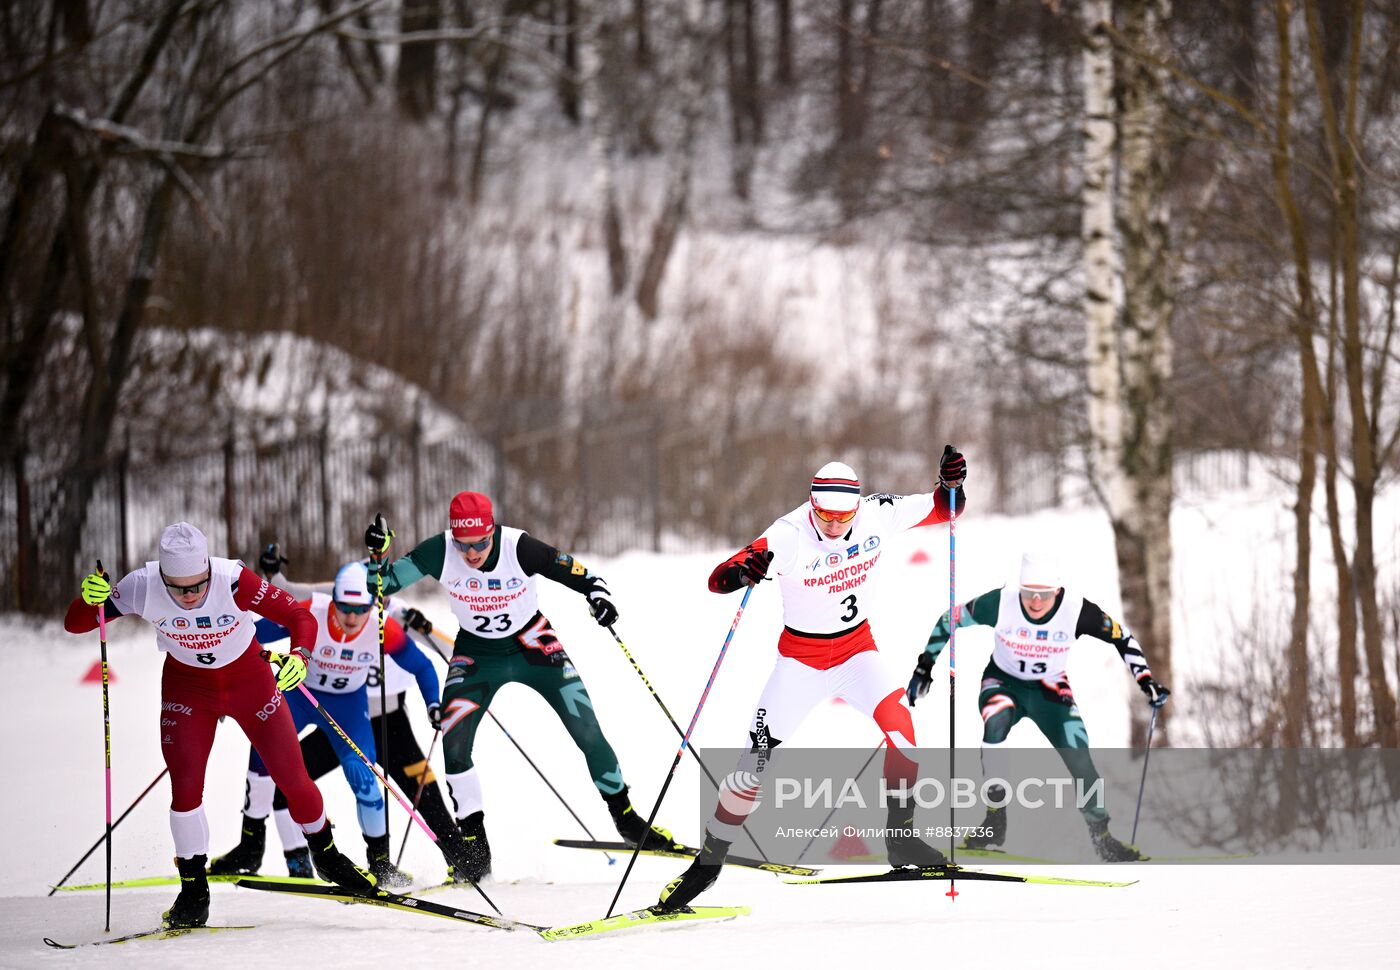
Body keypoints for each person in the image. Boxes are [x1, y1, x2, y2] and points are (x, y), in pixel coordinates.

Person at [657, 447, 968, 912]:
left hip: (857, 653)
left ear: (857, 508)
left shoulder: (878, 514)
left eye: (844, 518)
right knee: (755, 762)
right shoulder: (787, 534)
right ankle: (708, 862)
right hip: (800, 663)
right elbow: (717, 580)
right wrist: (744, 571)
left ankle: (901, 840)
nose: (835, 527)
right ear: (812, 504)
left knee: (905, 734)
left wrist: (953, 484)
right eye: (825, 516)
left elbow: (947, 508)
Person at [63, 523, 376, 930]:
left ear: (209, 569)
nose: (189, 596)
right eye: (178, 589)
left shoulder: (232, 579)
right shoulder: (141, 585)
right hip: (188, 688)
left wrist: (300, 654)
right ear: (162, 577)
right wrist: (90, 601)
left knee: (291, 774)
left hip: (250, 680)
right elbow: (78, 623)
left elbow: (297, 614)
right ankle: (194, 891)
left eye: (197, 585)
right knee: (186, 783)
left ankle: (328, 856)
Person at [363, 492, 677, 883]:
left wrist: (597, 594)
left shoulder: (518, 545)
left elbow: (575, 572)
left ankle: (626, 819)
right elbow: (382, 586)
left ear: (492, 530)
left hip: (534, 646)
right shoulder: (439, 551)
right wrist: (378, 558)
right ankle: (475, 849)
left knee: (586, 728)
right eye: (465, 545)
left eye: (480, 542)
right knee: (454, 742)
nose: (473, 553)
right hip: (476, 655)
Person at [906, 550, 1171, 862]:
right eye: (1028, 593)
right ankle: (995, 819)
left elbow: (1122, 637)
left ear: (1057, 591)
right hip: (1003, 683)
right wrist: (924, 668)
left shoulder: (1077, 610)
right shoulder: (1001, 602)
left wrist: (1146, 680)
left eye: (1043, 595)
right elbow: (949, 619)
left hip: (1050, 690)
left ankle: (1103, 838)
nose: (1034, 602)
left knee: (1080, 757)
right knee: (995, 724)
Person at [208, 560, 447, 887]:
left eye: (360, 609)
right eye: (344, 608)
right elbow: (248, 635)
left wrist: (434, 704)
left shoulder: (381, 626)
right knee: (263, 751)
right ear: (332, 600)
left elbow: (422, 667)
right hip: (299, 695)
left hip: (347, 708)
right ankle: (251, 846)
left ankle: (380, 864)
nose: (351, 618)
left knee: (363, 776)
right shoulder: (312, 612)